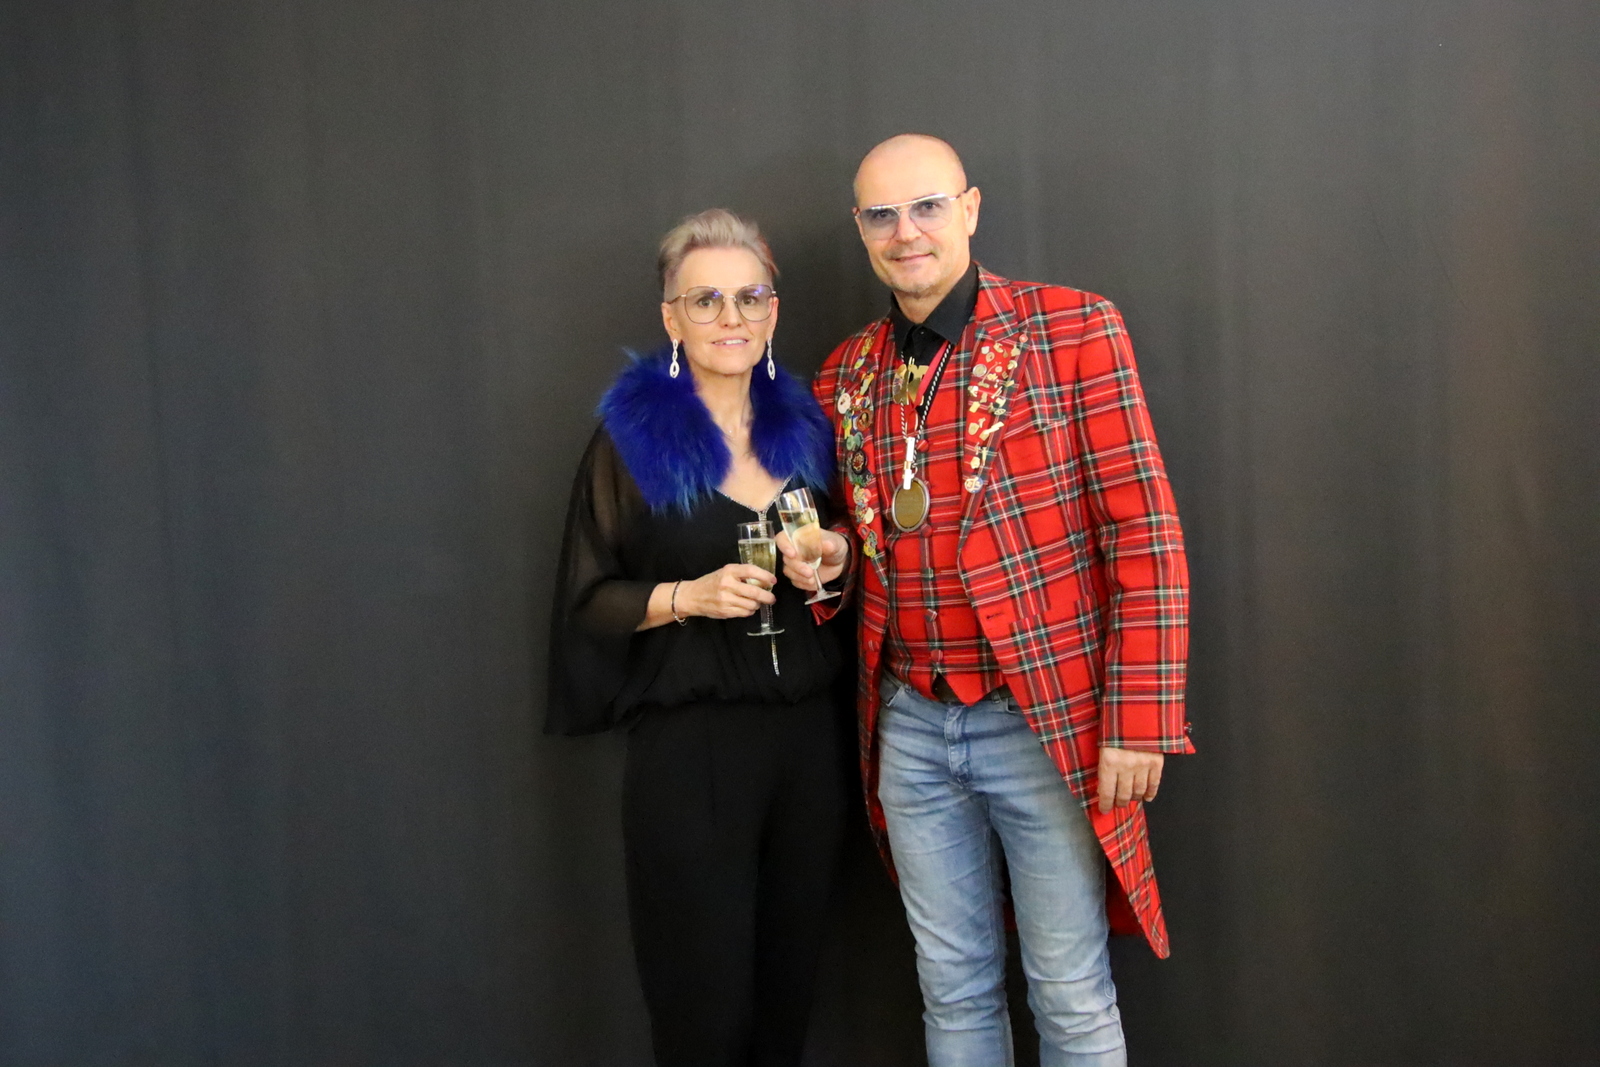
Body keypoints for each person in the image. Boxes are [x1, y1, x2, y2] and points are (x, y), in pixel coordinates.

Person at [780, 135, 1193, 1066]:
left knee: (1071, 992)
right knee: (953, 987)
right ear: (861, 230)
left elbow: (1143, 529)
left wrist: (1139, 717)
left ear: (969, 209)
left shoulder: (1072, 329)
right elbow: (860, 531)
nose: (906, 232)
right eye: (882, 215)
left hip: (1042, 719)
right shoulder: (844, 374)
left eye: (927, 206)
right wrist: (832, 553)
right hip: (909, 727)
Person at [546, 209, 846, 1067]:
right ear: (671, 318)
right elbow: (586, 599)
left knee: (789, 999)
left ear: (773, 311)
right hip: (692, 749)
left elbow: (847, 556)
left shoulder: (808, 427)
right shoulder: (635, 440)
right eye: (705, 300)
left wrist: (835, 557)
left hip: (807, 745)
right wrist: (688, 596)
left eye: (749, 297)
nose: (730, 317)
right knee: (703, 1009)